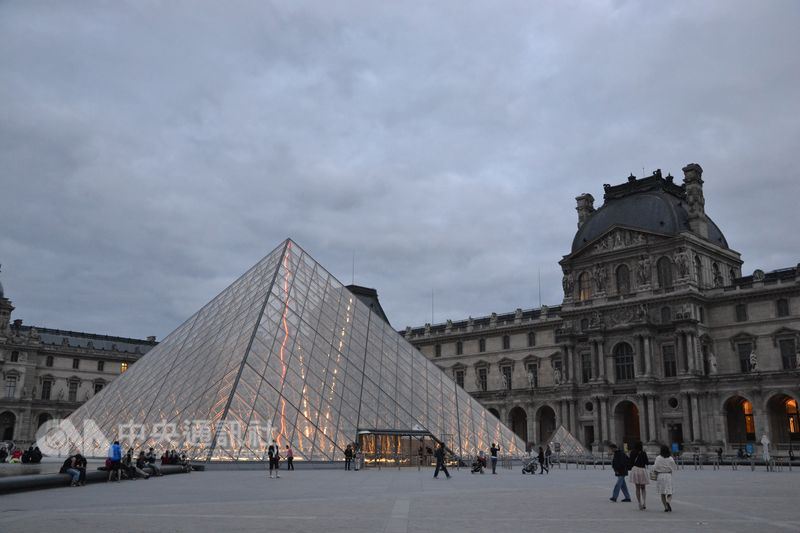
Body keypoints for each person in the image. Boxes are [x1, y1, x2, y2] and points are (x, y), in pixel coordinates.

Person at [653, 445, 677, 512]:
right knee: (670, 491)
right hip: (668, 475)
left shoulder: (658, 458)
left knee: (662, 493)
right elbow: (674, 467)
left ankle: (665, 507)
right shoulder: (670, 458)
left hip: (660, 476)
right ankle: (668, 501)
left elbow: (655, 467)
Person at [628, 441, 649, 510]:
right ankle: (644, 502)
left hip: (635, 470)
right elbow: (647, 462)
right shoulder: (643, 453)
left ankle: (639, 503)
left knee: (637, 488)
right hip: (642, 470)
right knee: (643, 487)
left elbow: (630, 462)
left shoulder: (632, 452)